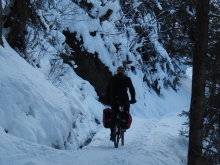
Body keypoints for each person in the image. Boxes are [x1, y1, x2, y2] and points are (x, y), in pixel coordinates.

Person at [105, 66, 136, 141]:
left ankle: (112, 133)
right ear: (123, 72)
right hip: (124, 99)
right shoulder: (127, 78)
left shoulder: (112, 78)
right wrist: (133, 99)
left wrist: (108, 99)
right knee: (126, 111)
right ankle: (123, 125)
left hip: (114, 99)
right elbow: (131, 89)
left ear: (117, 71)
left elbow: (107, 89)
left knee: (113, 113)